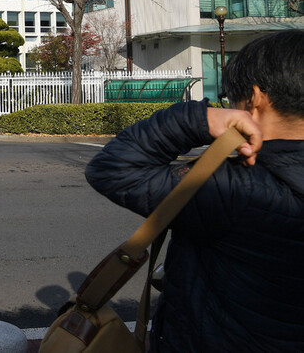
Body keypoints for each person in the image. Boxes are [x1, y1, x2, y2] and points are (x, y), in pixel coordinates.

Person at [84, 30, 304, 352]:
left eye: (231, 98)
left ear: (255, 98)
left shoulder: (234, 189)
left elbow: (114, 169)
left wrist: (199, 119)